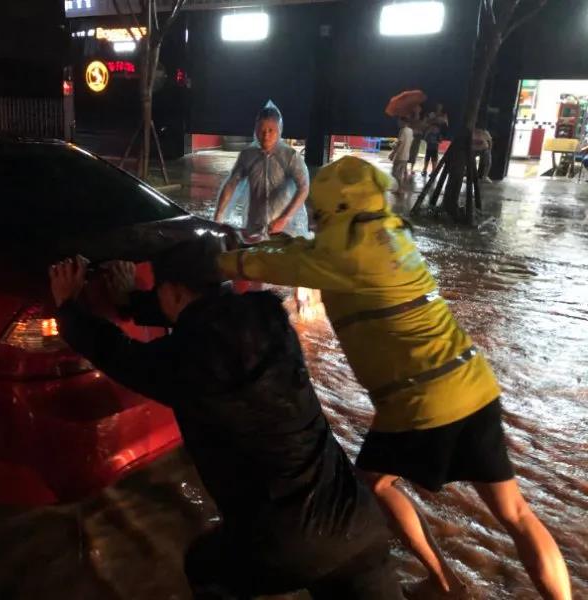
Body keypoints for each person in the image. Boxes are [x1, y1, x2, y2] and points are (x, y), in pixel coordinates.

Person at [216, 156, 573, 600]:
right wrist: (269, 244)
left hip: (418, 401)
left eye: (319, 211)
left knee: (372, 485)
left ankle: (445, 583)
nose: (315, 217)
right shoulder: (387, 232)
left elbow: (269, 267)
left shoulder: (343, 256)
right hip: (471, 380)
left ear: (334, 209)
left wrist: (219, 261)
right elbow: (305, 254)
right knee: (516, 514)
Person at [48, 239, 404, 600]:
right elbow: (202, 313)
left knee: (204, 568)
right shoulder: (269, 317)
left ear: (170, 291)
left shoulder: (187, 361)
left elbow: (116, 353)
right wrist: (133, 301)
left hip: (287, 542)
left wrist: (68, 307)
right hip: (358, 518)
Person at [214, 101, 310, 240]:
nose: (266, 135)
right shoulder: (248, 155)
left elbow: (304, 187)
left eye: (271, 130)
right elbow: (231, 183)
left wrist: (284, 218)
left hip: (284, 229)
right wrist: (218, 215)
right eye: (261, 130)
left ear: (279, 130)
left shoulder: (290, 157)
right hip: (255, 226)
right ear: (255, 130)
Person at [389, 117, 413, 187]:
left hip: (400, 155)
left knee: (395, 173)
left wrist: (392, 154)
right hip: (406, 155)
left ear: (403, 122)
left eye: (399, 122)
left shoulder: (402, 131)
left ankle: (400, 188)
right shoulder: (410, 131)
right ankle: (400, 188)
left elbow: (400, 143)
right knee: (400, 173)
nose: (398, 123)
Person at [407, 105, 426, 176]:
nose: (416, 109)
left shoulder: (423, 117)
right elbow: (409, 124)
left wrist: (416, 123)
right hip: (410, 135)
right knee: (407, 151)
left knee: (414, 152)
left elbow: (422, 126)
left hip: (417, 136)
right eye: (415, 107)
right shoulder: (410, 116)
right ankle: (405, 169)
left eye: (418, 108)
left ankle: (412, 169)